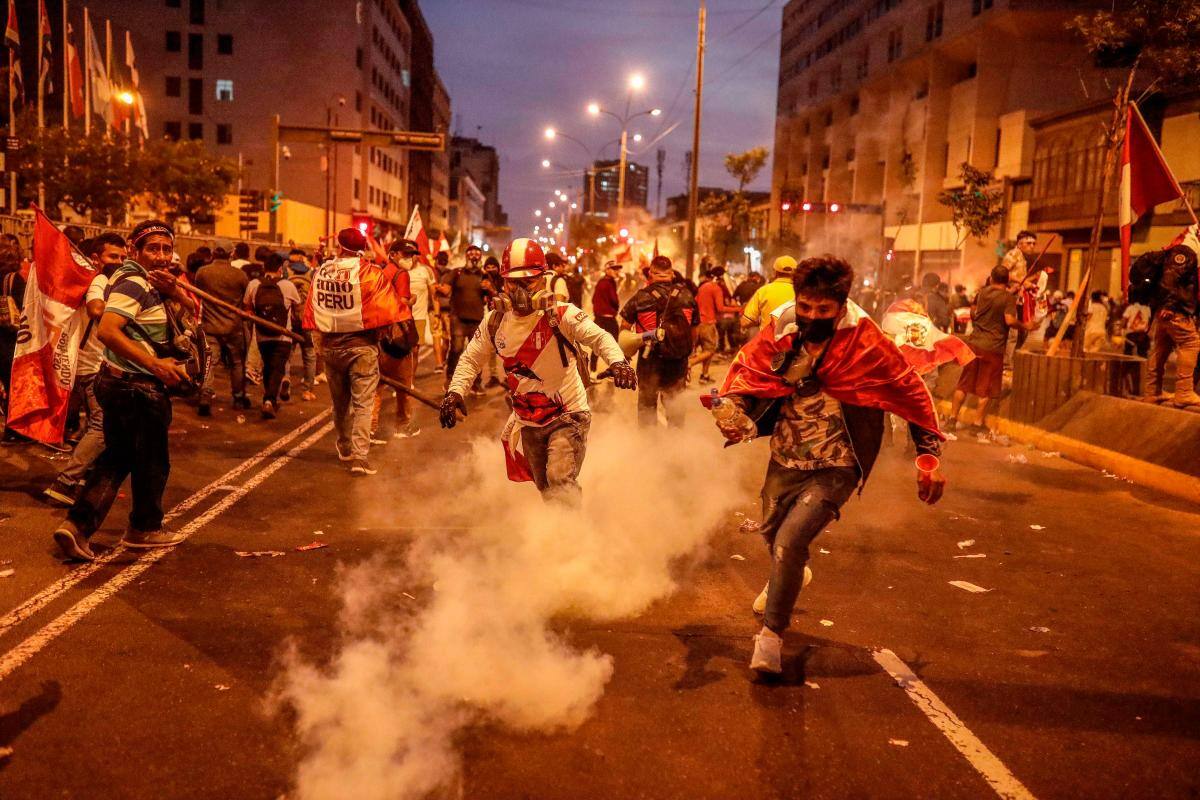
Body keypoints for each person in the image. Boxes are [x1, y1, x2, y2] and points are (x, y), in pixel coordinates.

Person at [708, 255, 945, 676]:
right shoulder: (782, 327)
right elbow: (749, 372)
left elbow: (910, 390)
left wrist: (928, 457)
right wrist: (734, 411)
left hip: (839, 462)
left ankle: (770, 638)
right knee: (773, 536)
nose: (811, 316)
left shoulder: (866, 341)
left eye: (823, 310)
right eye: (805, 307)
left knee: (788, 541)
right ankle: (793, 572)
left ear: (840, 306)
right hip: (785, 456)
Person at [439, 238, 636, 505]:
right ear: (503, 282)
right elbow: (471, 359)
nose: (520, 291)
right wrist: (455, 392)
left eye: (528, 282)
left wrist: (618, 362)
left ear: (543, 280)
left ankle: (570, 541)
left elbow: (600, 338)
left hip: (568, 414)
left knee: (560, 481)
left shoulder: (562, 314)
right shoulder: (495, 321)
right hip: (528, 420)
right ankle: (555, 534)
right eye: (512, 282)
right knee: (545, 487)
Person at [52, 220, 195, 561]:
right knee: (152, 463)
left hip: (125, 383)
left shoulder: (150, 281)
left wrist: (174, 291)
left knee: (117, 458)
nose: (161, 256)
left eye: (166, 248)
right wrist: (155, 364)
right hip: (136, 388)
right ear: (135, 250)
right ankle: (144, 529)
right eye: (152, 249)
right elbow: (108, 331)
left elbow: (192, 312)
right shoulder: (132, 282)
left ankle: (77, 526)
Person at [302, 227, 402, 476]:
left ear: (339, 245)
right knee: (363, 404)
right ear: (363, 247)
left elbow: (312, 308)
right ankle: (360, 456)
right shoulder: (371, 273)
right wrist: (381, 338)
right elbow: (388, 311)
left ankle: (345, 447)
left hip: (332, 348)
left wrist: (319, 345)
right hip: (362, 349)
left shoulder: (322, 271)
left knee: (340, 404)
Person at [43, 233, 128, 506]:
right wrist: (123, 313)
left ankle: (82, 478)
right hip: (92, 366)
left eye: (124, 257)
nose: (119, 261)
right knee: (102, 426)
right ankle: (65, 482)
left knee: (96, 424)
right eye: (113, 256)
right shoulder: (100, 281)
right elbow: (95, 309)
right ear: (96, 258)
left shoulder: (96, 280)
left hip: (83, 364)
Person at [948, 266, 1038, 430]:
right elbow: (1010, 320)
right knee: (986, 388)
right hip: (993, 347)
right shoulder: (1007, 298)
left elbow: (973, 313)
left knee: (964, 384)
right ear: (1007, 279)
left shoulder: (981, 293)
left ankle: (952, 419)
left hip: (974, 344)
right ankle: (977, 423)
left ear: (991, 277)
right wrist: (1027, 326)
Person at [620, 255, 699, 427]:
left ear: (651, 273)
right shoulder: (686, 295)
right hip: (678, 360)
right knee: (675, 405)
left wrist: (628, 351)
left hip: (650, 359)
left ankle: (649, 446)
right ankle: (675, 445)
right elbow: (694, 329)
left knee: (647, 405)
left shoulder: (641, 296)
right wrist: (688, 353)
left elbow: (624, 327)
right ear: (671, 274)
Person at [1139, 240, 1199, 406]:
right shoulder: (1185, 252)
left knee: (1161, 348)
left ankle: (1153, 391)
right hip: (1175, 310)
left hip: (1164, 310)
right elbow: (1170, 277)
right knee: (1191, 343)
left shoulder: (1177, 252)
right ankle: (1184, 392)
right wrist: (1170, 305)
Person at [193, 245, 251, 415]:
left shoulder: (203, 273)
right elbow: (245, 298)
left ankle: (205, 394)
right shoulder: (240, 275)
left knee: (209, 362)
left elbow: (199, 292)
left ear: (213, 253)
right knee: (237, 363)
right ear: (231, 254)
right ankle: (239, 397)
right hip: (234, 327)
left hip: (210, 326)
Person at [245, 252, 302, 419]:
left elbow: (247, 307)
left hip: (262, 335)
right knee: (278, 368)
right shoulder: (288, 285)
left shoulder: (254, 284)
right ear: (280, 268)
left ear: (264, 268)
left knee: (269, 368)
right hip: (283, 336)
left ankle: (270, 399)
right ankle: (269, 400)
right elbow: (298, 308)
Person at [373, 239, 420, 440]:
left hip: (378, 335)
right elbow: (401, 304)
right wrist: (412, 300)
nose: (408, 259)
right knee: (403, 385)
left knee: (376, 386)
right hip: (397, 336)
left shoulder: (381, 274)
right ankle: (402, 426)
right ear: (392, 254)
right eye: (405, 254)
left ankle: (370, 429)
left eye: (410, 255)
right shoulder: (402, 275)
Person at [437, 243, 490, 390]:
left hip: (477, 319)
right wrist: (441, 289)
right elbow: (446, 289)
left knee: (476, 352)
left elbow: (492, 295)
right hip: (458, 318)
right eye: (471, 253)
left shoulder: (484, 275)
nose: (473, 255)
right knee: (456, 349)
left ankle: (476, 383)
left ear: (480, 257)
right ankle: (450, 378)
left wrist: (490, 288)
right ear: (466, 256)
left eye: (476, 253)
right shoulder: (457, 273)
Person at [692, 266, 742, 384]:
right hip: (708, 323)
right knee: (710, 350)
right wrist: (738, 309)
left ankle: (704, 375)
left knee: (705, 350)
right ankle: (690, 364)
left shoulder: (703, 286)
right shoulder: (716, 288)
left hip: (698, 323)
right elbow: (720, 308)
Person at [284, 249, 318, 401]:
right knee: (309, 356)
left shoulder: (286, 273)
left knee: (287, 354)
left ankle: (285, 379)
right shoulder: (312, 274)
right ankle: (307, 390)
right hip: (307, 320)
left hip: (290, 320)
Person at [741, 256, 797, 331]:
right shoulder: (801, 292)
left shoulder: (763, 291)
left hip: (768, 341)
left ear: (775, 272)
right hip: (793, 341)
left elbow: (745, 322)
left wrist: (762, 321)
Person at [590, 260, 623, 372]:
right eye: (614, 269)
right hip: (608, 319)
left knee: (597, 345)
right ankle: (613, 371)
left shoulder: (602, 282)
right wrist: (614, 308)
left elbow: (593, 299)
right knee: (613, 346)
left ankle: (592, 372)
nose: (617, 271)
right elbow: (614, 300)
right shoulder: (608, 283)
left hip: (599, 318)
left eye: (617, 269)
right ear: (607, 270)